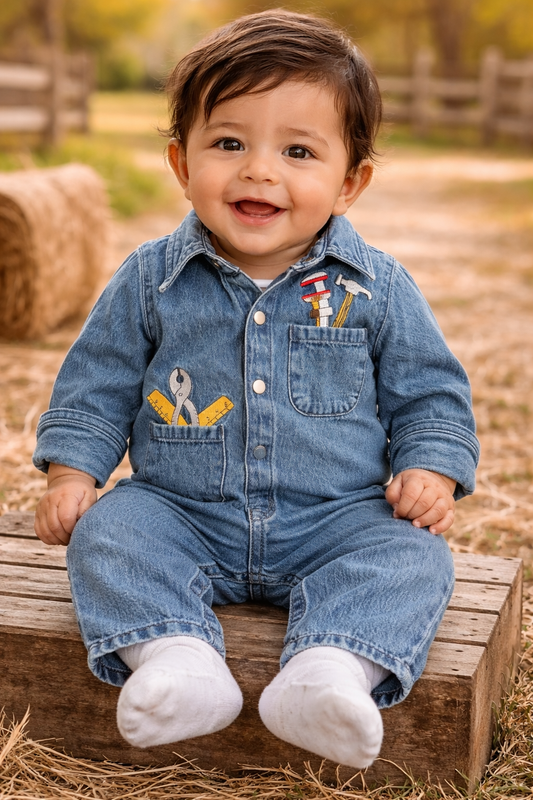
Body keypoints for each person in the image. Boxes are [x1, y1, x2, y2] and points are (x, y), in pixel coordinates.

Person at [33, 10, 479, 770]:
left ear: (349, 182)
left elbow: (430, 395)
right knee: (109, 534)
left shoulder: (377, 289)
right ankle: (176, 659)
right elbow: (96, 383)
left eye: (297, 151)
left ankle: (330, 669)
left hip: (337, 520)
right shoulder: (150, 280)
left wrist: (430, 471)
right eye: (229, 143)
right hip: (181, 513)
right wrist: (72, 474)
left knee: (414, 557)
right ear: (181, 163)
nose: (259, 171)